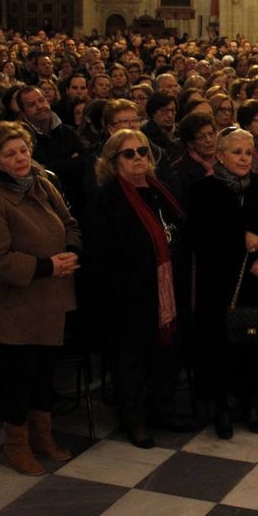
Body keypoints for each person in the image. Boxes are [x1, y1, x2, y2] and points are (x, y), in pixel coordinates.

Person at [0, 122, 81, 476]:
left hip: (51, 296)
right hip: (16, 302)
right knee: (18, 376)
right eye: (10, 153)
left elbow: (70, 222)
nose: (20, 158)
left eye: (24, 150)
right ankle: (17, 445)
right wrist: (47, 266)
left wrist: (73, 250)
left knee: (44, 372)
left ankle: (42, 437)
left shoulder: (41, 183)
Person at [85, 129, 194, 449]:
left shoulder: (162, 190)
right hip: (130, 294)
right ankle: (135, 420)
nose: (138, 159)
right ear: (112, 162)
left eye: (143, 152)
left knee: (167, 352)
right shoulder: (106, 200)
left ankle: (164, 408)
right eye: (128, 154)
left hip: (168, 288)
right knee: (131, 359)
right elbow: (102, 255)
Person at [187, 127, 258, 438]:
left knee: (253, 343)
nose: (244, 158)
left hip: (257, 277)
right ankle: (221, 406)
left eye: (248, 152)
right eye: (236, 152)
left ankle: (250, 402)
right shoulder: (201, 190)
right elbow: (200, 235)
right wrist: (240, 238)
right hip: (219, 280)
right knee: (219, 343)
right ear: (219, 155)